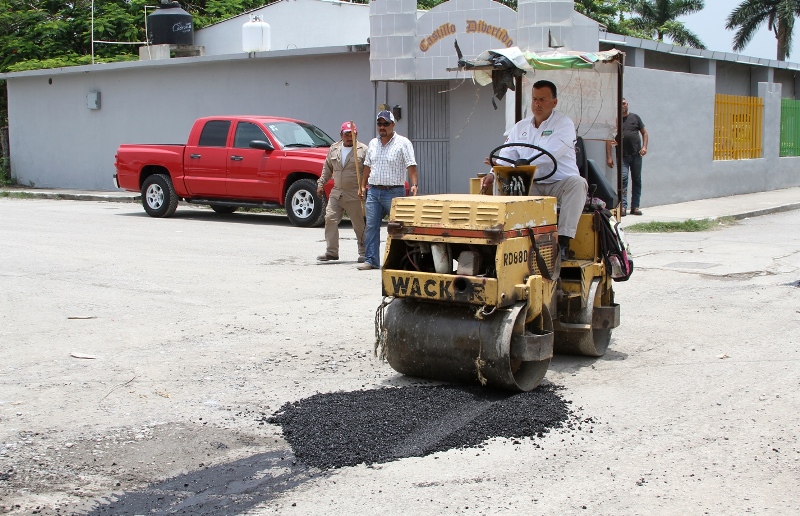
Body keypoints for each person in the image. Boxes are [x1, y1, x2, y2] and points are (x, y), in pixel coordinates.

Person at [480, 80, 588, 261]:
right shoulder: (520, 127)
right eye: (534, 99)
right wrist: (493, 171)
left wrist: (518, 164)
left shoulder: (564, 124)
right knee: (502, 181)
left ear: (554, 102)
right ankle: (503, 239)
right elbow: (507, 153)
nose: (537, 104)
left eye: (543, 100)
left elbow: (549, 155)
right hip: (530, 184)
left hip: (558, 184)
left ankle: (562, 242)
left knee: (578, 184)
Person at [357, 110, 419, 270]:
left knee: (397, 227)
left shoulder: (403, 143)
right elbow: (367, 166)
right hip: (374, 191)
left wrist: (414, 184)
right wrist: (363, 186)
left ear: (393, 124)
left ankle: (398, 261)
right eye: (379, 124)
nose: (382, 127)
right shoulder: (373, 143)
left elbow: (411, 165)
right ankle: (371, 260)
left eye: (385, 124)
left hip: (394, 192)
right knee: (371, 226)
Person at [316, 121, 368, 263]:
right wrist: (321, 184)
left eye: (352, 134)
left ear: (356, 134)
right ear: (341, 135)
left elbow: (369, 172)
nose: (349, 137)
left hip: (355, 193)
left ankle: (364, 252)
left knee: (359, 225)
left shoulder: (363, 150)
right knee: (330, 218)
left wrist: (364, 187)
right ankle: (332, 252)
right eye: (346, 134)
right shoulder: (334, 149)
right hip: (337, 192)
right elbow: (327, 168)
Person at [606, 98, 648, 216]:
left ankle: (635, 207)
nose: (622, 106)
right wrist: (609, 157)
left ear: (627, 104)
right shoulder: (615, 121)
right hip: (622, 156)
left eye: (624, 103)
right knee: (623, 180)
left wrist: (644, 147)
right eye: (620, 104)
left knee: (636, 180)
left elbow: (644, 133)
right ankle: (623, 207)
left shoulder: (635, 118)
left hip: (636, 155)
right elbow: (608, 138)